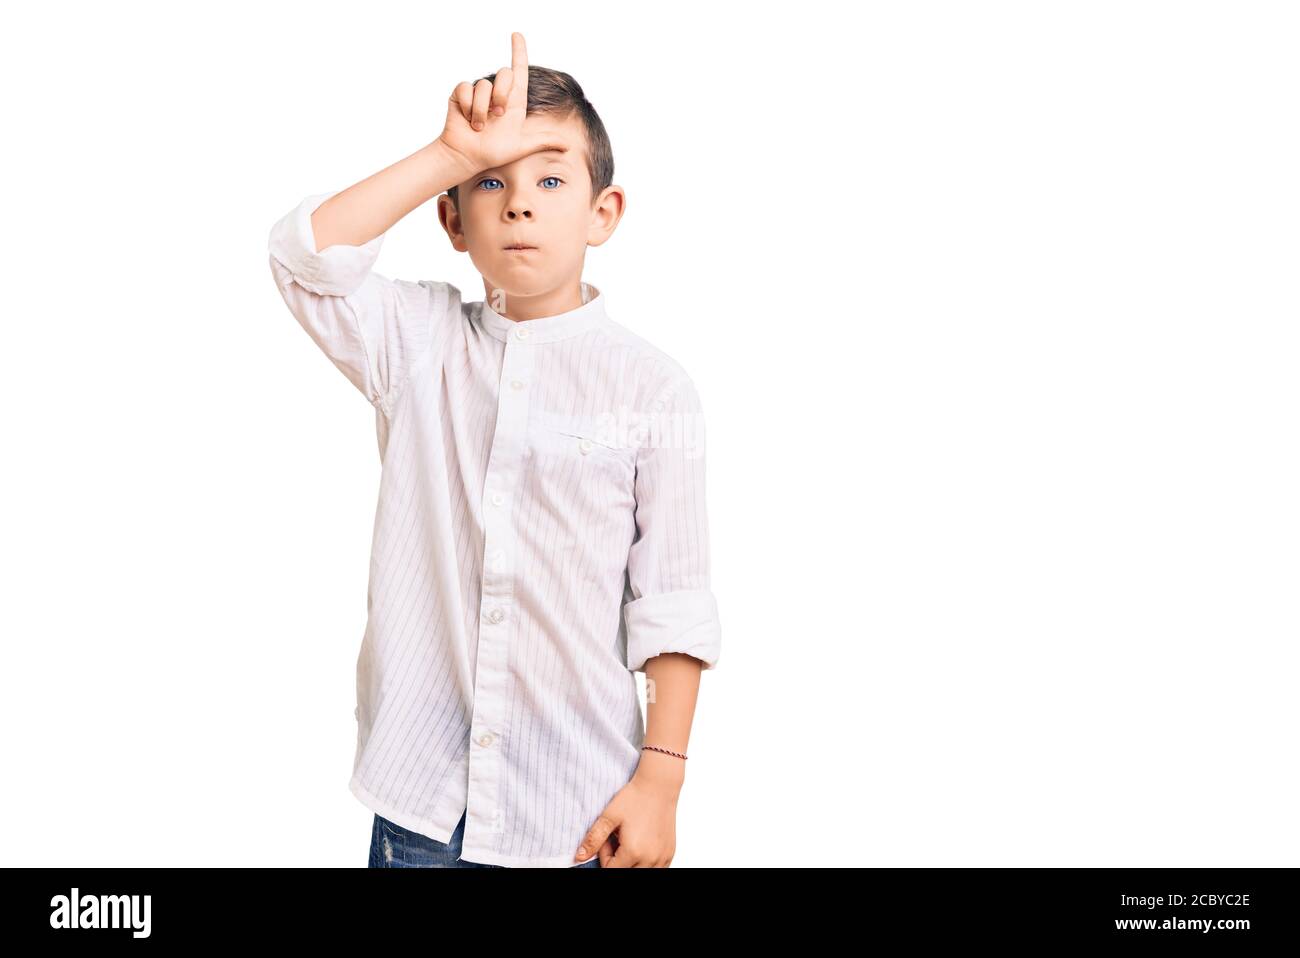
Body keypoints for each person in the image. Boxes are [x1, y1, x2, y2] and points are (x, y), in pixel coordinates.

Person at [266, 32, 721, 868]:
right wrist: (446, 152)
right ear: (452, 218)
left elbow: (673, 604)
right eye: (490, 183)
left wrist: (662, 783)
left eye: (550, 179)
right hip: (419, 811)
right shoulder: (417, 344)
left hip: (578, 815)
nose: (519, 204)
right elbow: (304, 260)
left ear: (602, 213)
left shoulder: (653, 389)